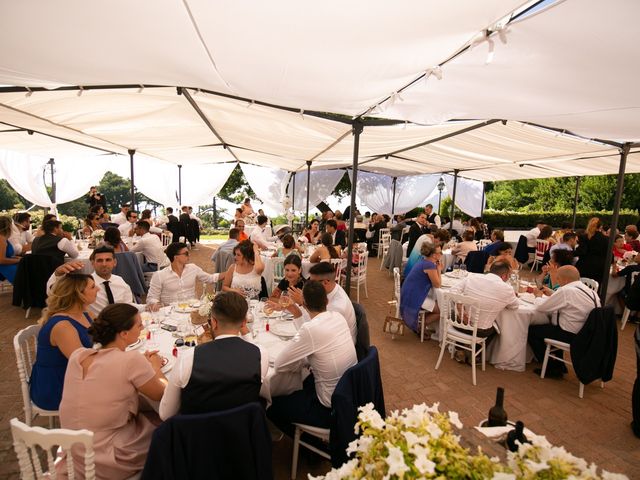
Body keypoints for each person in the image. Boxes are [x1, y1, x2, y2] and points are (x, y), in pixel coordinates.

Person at [59, 304, 166, 478]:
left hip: (74, 453)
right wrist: (155, 367)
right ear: (123, 334)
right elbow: (161, 393)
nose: (142, 328)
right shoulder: (131, 360)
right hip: (108, 459)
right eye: (139, 325)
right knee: (167, 424)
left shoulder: (78, 356)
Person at [267, 281, 357, 437]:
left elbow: (280, 365)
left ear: (305, 303)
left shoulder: (311, 329)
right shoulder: (337, 316)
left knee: (272, 406)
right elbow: (317, 347)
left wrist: (298, 361)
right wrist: (296, 311)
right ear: (327, 301)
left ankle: (311, 446)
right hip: (348, 395)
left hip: (329, 408)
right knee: (300, 382)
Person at [159, 291, 268, 419]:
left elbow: (165, 414)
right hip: (242, 432)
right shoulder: (260, 355)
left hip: (197, 435)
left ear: (214, 322)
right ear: (244, 323)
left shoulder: (188, 358)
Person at [29, 273, 98, 410]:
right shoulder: (63, 326)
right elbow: (83, 364)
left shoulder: (85, 313)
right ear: (79, 294)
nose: (98, 289)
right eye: (93, 287)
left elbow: (105, 335)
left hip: (74, 376)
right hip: (58, 387)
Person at [528, 265, 600, 378]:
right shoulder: (590, 291)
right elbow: (571, 301)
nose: (557, 281)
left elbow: (542, 307)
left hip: (571, 335)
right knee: (551, 327)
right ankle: (558, 364)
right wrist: (552, 293)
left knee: (532, 330)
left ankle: (551, 367)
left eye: (558, 278)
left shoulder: (567, 290)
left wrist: (538, 296)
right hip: (586, 333)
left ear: (565, 279)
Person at [47, 245, 141, 316]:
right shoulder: (84, 284)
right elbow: (53, 293)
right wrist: (57, 274)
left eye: (108, 260)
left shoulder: (120, 281)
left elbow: (128, 305)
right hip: (93, 327)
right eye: (99, 260)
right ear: (92, 263)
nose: (104, 264)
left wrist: (147, 307)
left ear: (114, 262)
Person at [449, 260, 519, 345]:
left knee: (453, 313)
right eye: (509, 275)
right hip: (480, 331)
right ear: (504, 276)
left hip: (458, 323)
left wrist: (461, 311)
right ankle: (477, 356)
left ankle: (459, 349)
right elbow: (515, 306)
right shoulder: (507, 289)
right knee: (497, 329)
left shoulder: (472, 277)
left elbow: (452, 291)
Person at [286, 261, 357, 343]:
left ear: (326, 282)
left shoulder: (337, 306)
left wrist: (303, 303)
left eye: (313, 283)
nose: (310, 285)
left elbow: (314, 330)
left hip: (335, 345)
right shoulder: (330, 289)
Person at [147, 242, 223, 309]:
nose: (189, 255)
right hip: (171, 313)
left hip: (191, 309)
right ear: (175, 257)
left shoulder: (193, 268)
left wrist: (230, 272)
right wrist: (154, 304)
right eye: (186, 253)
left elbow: (210, 278)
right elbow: (152, 298)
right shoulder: (160, 275)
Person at [400, 243, 443, 333]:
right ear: (434, 255)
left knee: (437, 302)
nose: (442, 254)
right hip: (414, 297)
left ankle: (423, 324)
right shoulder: (430, 265)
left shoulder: (424, 261)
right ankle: (420, 326)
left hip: (409, 293)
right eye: (440, 252)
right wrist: (439, 269)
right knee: (441, 310)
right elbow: (437, 285)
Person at [575, 217, 609, 284]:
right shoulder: (606, 239)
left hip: (584, 266)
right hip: (599, 269)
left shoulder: (584, 237)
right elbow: (610, 255)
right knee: (595, 289)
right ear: (601, 227)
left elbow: (581, 251)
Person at [0, 215, 21, 283]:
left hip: (6, 265)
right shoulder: (1, 239)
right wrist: (18, 261)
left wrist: (17, 258)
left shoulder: (3, 238)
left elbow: (7, 255)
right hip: (3, 267)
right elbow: (1, 260)